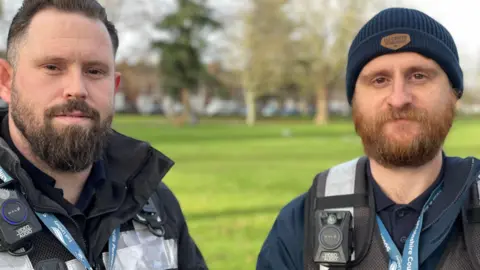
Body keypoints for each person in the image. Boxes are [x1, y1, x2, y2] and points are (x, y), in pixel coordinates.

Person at [257, 7, 480, 270]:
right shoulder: (299, 226)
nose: (399, 98)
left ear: (454, 93)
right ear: (355, 102)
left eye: (419, 76)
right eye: (379, 80)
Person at [0, 0, 207, 269]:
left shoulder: (152, 201)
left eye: (95, 71)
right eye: (52, 67)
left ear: (114, 87)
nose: (77, 88)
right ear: (6, 81)